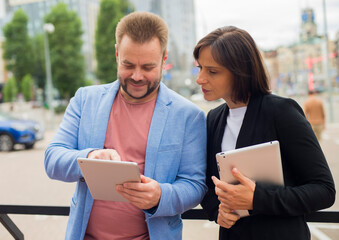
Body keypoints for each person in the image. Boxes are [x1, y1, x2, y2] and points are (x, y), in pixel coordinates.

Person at [45, 12, 207, 240]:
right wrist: (90, 156)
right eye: (128, 65)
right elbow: (52, 159)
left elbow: (195, 185)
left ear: (164, 59)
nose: (137, 76)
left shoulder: (189, 116)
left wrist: (161, 196)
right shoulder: (84, 100)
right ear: (116, 54)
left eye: (148, 67)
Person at [194, 26, 335, 240]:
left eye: (212, 71)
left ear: (241, 72)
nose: (200, 79)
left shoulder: (281, 112)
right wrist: (217, 212)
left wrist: (257, 199)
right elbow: (207, 183)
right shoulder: (213, 119)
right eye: (200, 68)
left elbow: (324, 190)